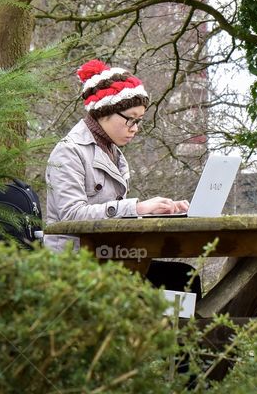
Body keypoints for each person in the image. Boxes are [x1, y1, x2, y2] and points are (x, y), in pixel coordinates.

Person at [44, 59, 200, 296]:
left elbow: (112, 214)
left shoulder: (112, 152)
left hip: (109, 257)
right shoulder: (69, 151)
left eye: (139, 121)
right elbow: (71, 216)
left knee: (186, 278)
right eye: (130, 119)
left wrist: (161, 210)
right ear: (105, 111)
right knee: (180, 281)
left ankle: (179, 323)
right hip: (75, 264)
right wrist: (137, 208)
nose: (135, 128)